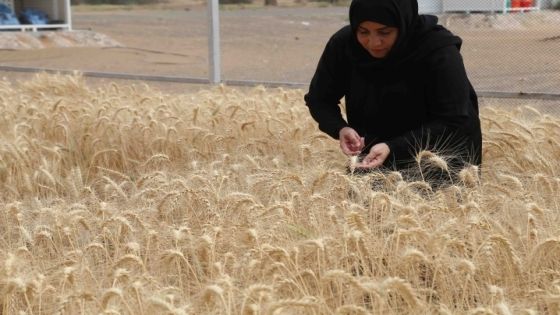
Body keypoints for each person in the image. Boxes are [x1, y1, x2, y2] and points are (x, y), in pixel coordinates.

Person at [304, 0, 482, 181]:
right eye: (363, 32)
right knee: (369, 204)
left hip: (439, 150)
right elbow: (319, 99)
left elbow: (453, 118)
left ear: (403, 23)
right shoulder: (345, 45)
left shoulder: (438, 50)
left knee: (434, 203)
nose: (373, 42)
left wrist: (394, 147)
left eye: (384, 32)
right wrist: (340, 128)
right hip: (376, 151)